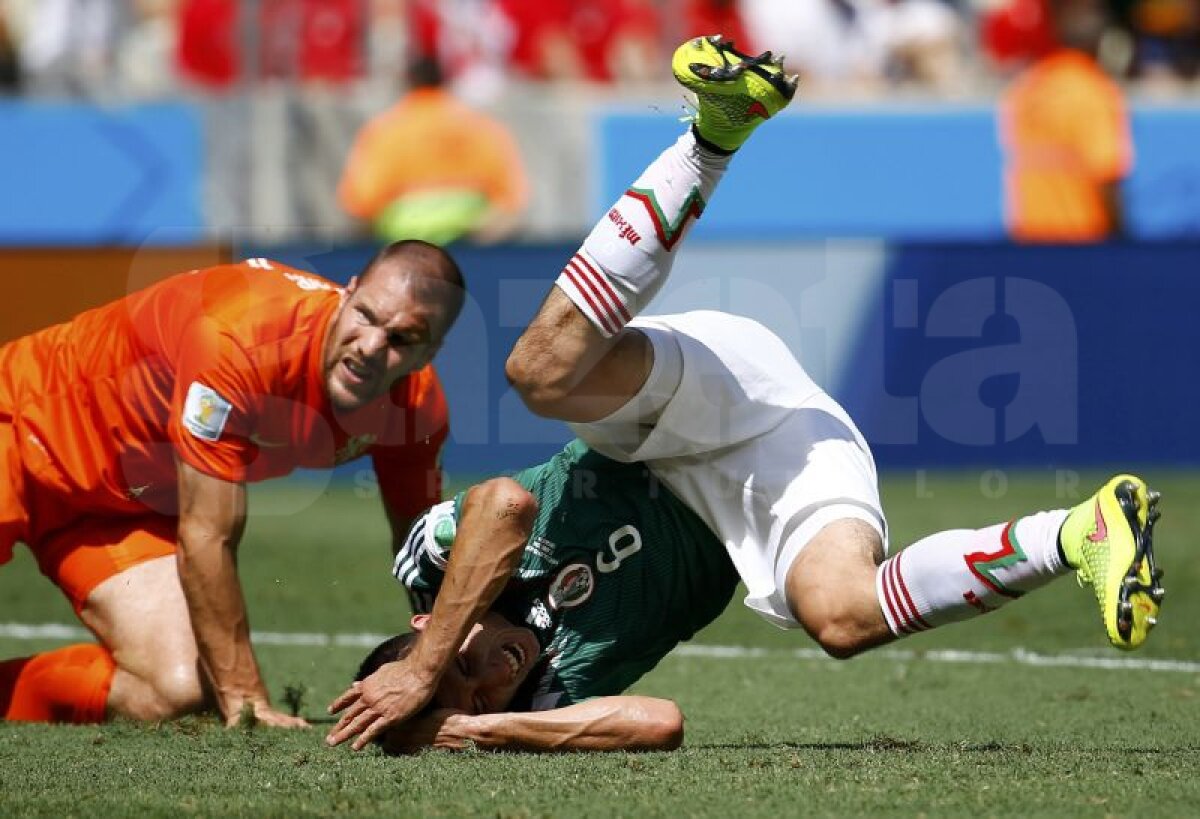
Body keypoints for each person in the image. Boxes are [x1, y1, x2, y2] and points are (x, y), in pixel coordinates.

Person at [326, 35, 1166, 752]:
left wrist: (428, 667)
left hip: (671, 423)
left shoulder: (431, 574)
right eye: (480, 701)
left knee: (538, 373)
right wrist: (487, 729)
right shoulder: (534, 708)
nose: (488, 679)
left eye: (461, 669)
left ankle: (711, 138)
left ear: (419, 645)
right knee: (838, 618)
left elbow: (505, 504)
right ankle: (1082, 532)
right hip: (763, 480)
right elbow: (660, 722)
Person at [0, 240, 464, 727]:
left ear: (429, 352)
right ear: (347, 295)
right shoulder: (242, 336)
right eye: (366, 315)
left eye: (402, 339)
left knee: (176, 687)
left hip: (121, 512)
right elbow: (207, 534)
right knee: (223, 681)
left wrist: (441, 666)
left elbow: (422, 548)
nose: (370, 348)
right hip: (21, 426)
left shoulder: (416, 411)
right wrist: (246, 699)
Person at [337, 55, 529, 246]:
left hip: (405, 241)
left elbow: (359, 203)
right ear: (445, 82)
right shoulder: (481, 126)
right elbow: (511, 199)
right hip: (471, 237)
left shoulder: (385, 129)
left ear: (408, 83)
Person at [999, 0, 1134, 242]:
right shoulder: (1092, 91)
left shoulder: (1028, 87)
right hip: (1081, 241)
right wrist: (1122, 242)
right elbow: (1105, 174)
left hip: (1027, 239)